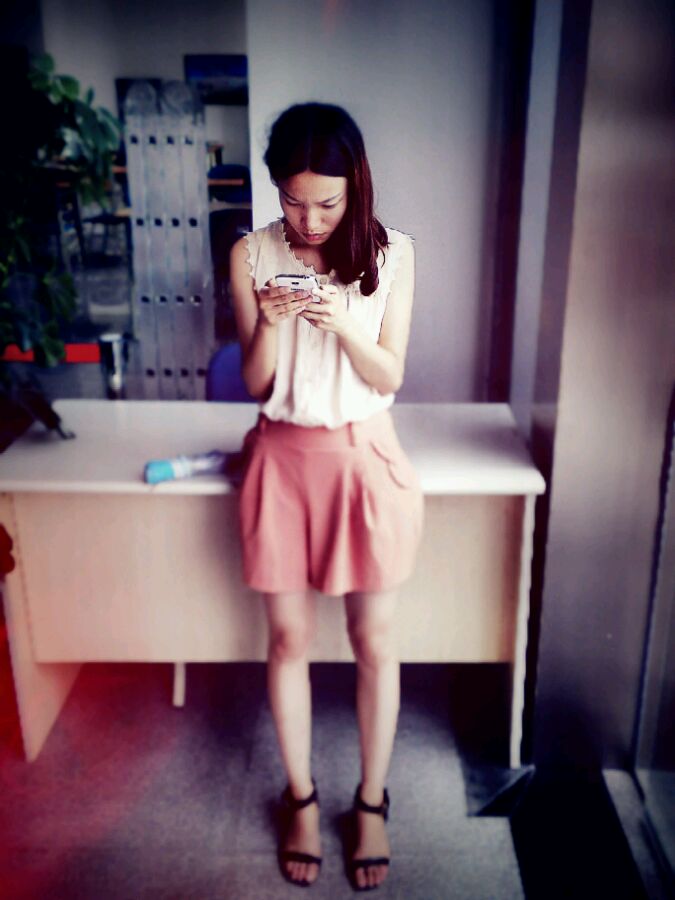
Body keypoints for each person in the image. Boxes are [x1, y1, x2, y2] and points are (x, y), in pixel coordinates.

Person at [229, 102, 424, 891]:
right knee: (287, 641)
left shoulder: (393, 253)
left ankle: (371, 801)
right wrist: (271, 324)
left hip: (362, 455)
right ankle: (302, 799)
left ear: (356, 187)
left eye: (326, 203)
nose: (307, 220)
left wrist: (342, 322)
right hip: (281, 458)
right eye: (292, 200)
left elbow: (390, 374)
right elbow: (255, 384)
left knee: (374, 639)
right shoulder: (251, 252)